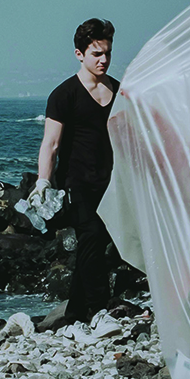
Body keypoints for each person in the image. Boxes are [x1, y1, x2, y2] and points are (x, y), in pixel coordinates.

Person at [31, 19, 120, 330]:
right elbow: (51, 144)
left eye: (107, 53)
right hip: (77, 183)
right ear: (79, 54)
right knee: (91, 236)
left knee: (92, 247)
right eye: (97, 53)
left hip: (111, 184)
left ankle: (72, 318)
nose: (104, 60)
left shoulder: (118, 91)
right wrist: (43, 181)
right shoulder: (64, 94)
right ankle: (98, 313)